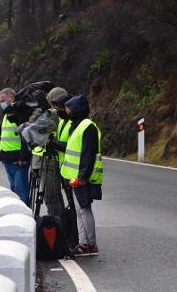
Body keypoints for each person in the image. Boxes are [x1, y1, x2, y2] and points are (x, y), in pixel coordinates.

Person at [60, 94, 103, 257]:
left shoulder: (87, 127)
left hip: (81, 176)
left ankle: (91, 244)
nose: (67, 112)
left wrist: (83, 176)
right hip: (74, 175)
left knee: (84, 209)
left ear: (77, 110)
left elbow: (88, 154)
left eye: (69, 109)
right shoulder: (77, 126)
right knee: (79, 210)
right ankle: (83, 243)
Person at [29, 87, 69, 216]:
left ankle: (58, 227)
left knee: (51, 198)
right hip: (59, 160)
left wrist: (44, 110)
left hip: (49, 161)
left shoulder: (53, 114)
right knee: (61, 197)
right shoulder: (68, 114)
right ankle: (64, 226)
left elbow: (33, 130)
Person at [0, 88, 31, 202]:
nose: (1, 103)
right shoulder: (7, 114)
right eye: (0, 101)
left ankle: (25, 218)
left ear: (11, 98)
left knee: (21, 190)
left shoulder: (19, 112)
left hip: (18, 158)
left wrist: (23, 156)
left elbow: (26, 135)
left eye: (3, 100)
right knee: (13, 190)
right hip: (7, 157)